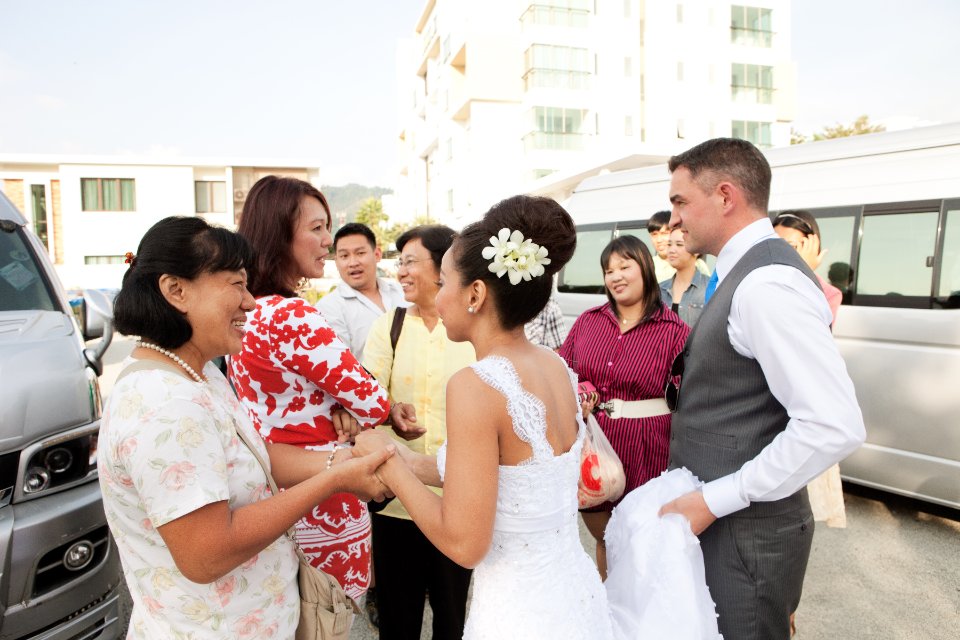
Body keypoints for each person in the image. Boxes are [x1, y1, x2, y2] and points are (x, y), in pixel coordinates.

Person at [99, 216, 394, 639]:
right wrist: (335, 480)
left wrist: (340, 461)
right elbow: (207, 554)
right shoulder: (164, 402)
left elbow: (249, 454)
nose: (252, 303)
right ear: (176, 291)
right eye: (237, 285)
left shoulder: (198, 372)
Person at [660, 138, 866, 639]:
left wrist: (716, 499)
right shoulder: (744, 274)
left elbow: (833, 425)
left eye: (681, 202)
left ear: (725, 196)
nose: (673, 221)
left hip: (744, 537)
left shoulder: (766, 285)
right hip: (730, 532)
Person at [229, 176, 391, 602]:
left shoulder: (247, 312)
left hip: (272, 497)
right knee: (329, 617)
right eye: (316, 228)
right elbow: (374, 402)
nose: (327, 241)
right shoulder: (292, 316)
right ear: (279, 234)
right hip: (325, 503)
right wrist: (348, 406)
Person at [360, 224, 476, 640]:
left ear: (443, 266)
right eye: (400, 263)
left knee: (453, 617)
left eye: (410, 262)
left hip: (458, 500)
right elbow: (366, 398)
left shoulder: (471, 330)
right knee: (397, 619)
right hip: (396, 501)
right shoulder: (388, 326)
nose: (401, 272)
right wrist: (389, 414)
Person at [558, 234, 689, 578]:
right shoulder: (589, 321)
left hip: (648, 448)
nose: (615, 276)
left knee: (641, 541)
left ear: (644, 267)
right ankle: (610, 603)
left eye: (624, 267)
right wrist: (580, 390)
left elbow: (689, 395)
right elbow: (563, 371)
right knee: (605, 538)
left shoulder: (675, 331)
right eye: (608, 270)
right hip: (594, 446)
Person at [316, 222, 407, 361]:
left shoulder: (402, 292)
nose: (353, 263)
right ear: (336, 261)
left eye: (360, 253)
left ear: (377, 254)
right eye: (344, 256)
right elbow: (339, 364)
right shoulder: (328, 309)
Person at [772, 210, 843, 323]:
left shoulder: (828, 294)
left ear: (813, 247)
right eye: (775, 245)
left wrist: (803, 274)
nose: (781, 253)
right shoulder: (756, 280)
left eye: (791, 246)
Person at [660, 227, 711, 326]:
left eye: (679, 244)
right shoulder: (658, 290)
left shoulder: (710, 287)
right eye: (669, 244)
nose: (671, 250)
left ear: (696, 250)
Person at [647, 210, 676, 282]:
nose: (659, 240)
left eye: (664, 233)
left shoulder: (694, 264)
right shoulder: (647, 267)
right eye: (654, 234)